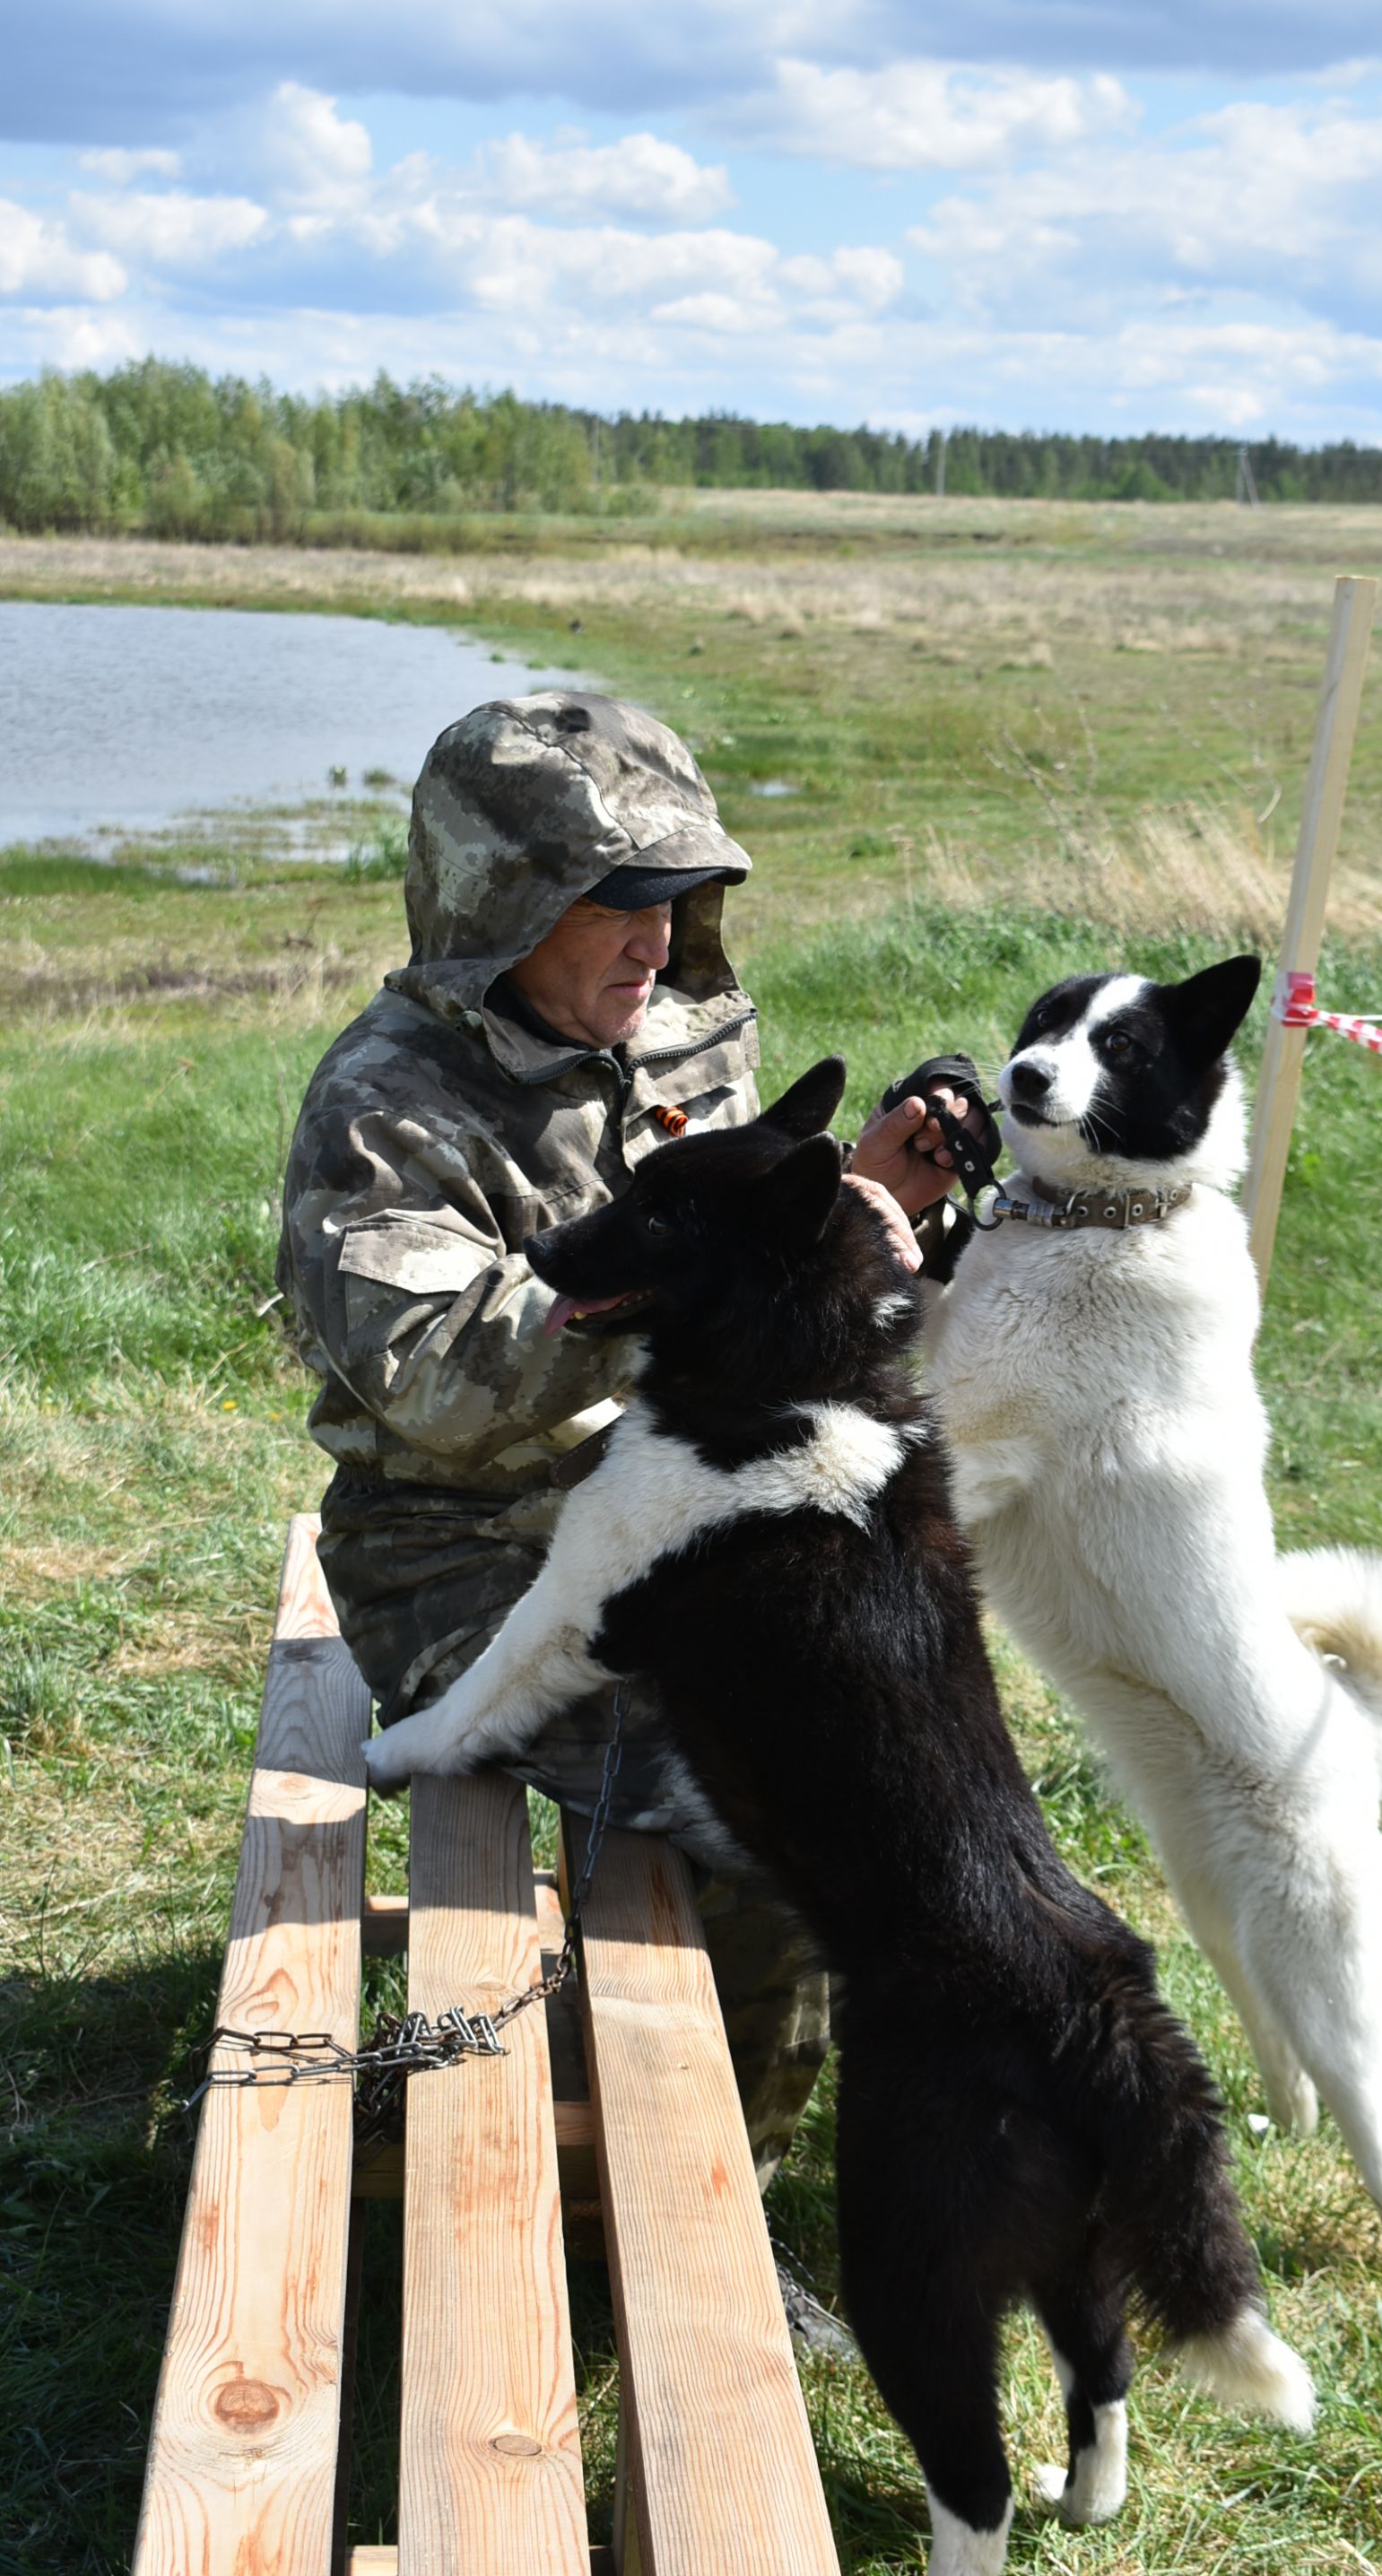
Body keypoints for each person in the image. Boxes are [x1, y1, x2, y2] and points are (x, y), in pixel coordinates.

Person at [275, 689, 972, 2190]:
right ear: (501, 902)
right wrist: (668, 1268)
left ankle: (732, 2152)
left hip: (685, 1503)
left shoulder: (686, 1031)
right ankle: (681, 2209)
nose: (659, 942)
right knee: (774, 1817)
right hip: (461, 1553)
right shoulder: (388, 1104)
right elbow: (433, 1381)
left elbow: (750, 1253)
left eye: (679, 897)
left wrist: (852, 1199)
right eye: (617, 903)